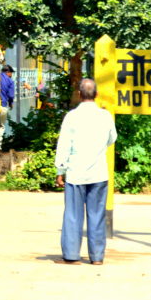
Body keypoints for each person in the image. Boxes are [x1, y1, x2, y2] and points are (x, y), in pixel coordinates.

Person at [53, 77, 117, 265]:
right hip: (98, 173)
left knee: (73, 214)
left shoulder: (72, 117)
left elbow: (64, 144)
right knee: (97, 214)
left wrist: (60, 169)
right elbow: (112, 138)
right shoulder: (105, 116)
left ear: (79, 94)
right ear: (96, 94)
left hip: (75, 173)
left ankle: (72, 255)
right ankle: (97, 257)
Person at [0, 64, 15, 152]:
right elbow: (11, 95)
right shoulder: (10, 81)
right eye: (11, 73)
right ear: (8, 72)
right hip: (2, 105)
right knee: (1, 126)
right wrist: (11, 103)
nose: (12, 75)